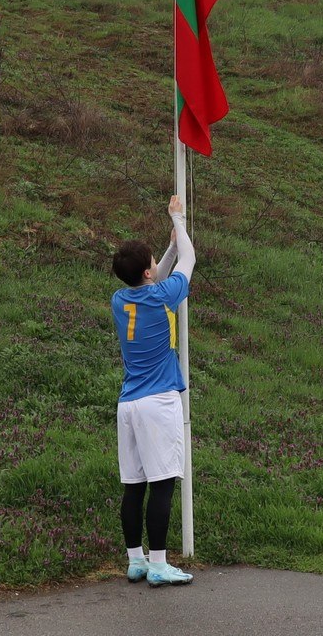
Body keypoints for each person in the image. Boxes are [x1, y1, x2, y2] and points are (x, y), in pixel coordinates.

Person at [110, 194, 196, 588]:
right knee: (163, 483)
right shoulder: (162, 295)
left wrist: (169, 247)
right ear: (147, 272)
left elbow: (158, 273)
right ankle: (159, 564)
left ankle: (136, 560)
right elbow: (189, 261)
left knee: (134, 485)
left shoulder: (120, 298)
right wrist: (177, 219)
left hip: (128, 404)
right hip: (158, 402)